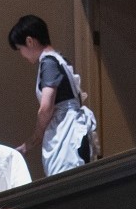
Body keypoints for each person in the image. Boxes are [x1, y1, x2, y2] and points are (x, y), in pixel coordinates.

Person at [7, 14, 98, 178]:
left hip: (66, 134)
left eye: (20, 49)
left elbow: (46, 108)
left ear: (30, 41)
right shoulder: (59, 59)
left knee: (64, 182)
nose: (22, 54)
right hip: (73, 129)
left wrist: (35, 138)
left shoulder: (48, 63)